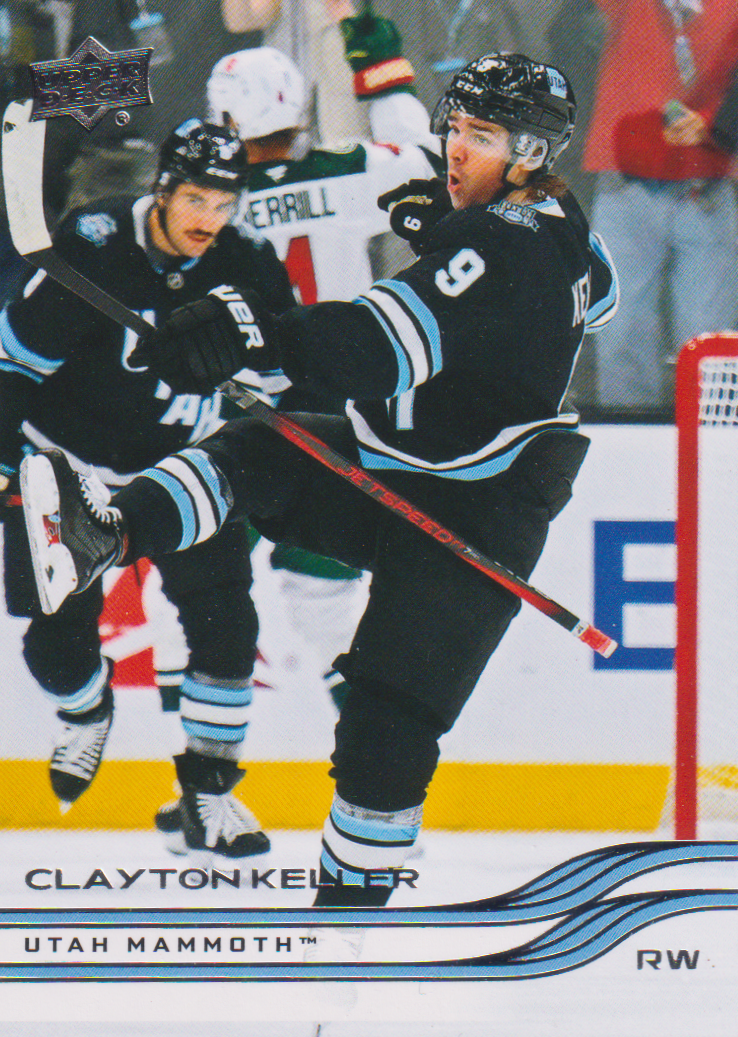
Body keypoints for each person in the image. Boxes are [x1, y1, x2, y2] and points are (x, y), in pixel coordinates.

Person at [20, 54, 618, 901]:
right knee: (256, 451)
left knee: (384, 729)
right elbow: (600, 293)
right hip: (393, 466)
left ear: (528, 151)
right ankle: (105, 534)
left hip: (477, 511)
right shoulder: (560, 222)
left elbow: (370, 348)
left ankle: (353, 909)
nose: (456, 147)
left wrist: (250, 332)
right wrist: (451, 246)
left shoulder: (501, 241)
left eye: (482, 136)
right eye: (456, 126)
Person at [0, 119, 296, 856]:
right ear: (163, 190)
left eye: (224, 204)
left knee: (227, 627)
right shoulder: (95, 244)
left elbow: (289, 377)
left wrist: (276, 410)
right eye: (196, 199)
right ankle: (86, 711)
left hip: (184, 471)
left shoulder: (247, 260)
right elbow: (15, 360)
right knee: (55, 646)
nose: (209, 219)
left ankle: (209, 794)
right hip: (64, 466)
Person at [206, 25, 441, 709]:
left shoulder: (207, 201)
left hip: (239, 407)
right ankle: (362, 715)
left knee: (201, 567)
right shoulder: (346, 170)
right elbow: (429, 159)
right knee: (322, 576)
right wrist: (384, 74)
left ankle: (201, 737)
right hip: (338, 404)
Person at [583, 0, 738, 419]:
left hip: (708, 184)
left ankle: (716, 451)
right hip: (626, 184)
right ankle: (627, 447)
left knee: (710, 349)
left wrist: (716, 125)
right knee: (620, 337)